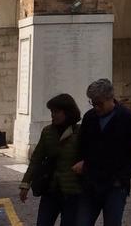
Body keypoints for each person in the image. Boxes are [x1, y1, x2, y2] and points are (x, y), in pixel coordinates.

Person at [73, 78, 131, 226]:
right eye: (93, 103)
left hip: (115, 187)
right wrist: (81, 167)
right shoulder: (89, 117)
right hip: (90, 184)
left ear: (110, 98)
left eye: (99, 103)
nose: (96, 107)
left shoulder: (127, 118)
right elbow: (80, 146)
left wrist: (122, 179)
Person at [19, 93, 83, 225]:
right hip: (50, 188)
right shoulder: (47, 131)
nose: (52, 115)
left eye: (56, 111)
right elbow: (36, 159)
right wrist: (25, 184)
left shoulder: (80, 132)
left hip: (73, 191)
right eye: (51, 111)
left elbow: (91, 156)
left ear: (68, 112)